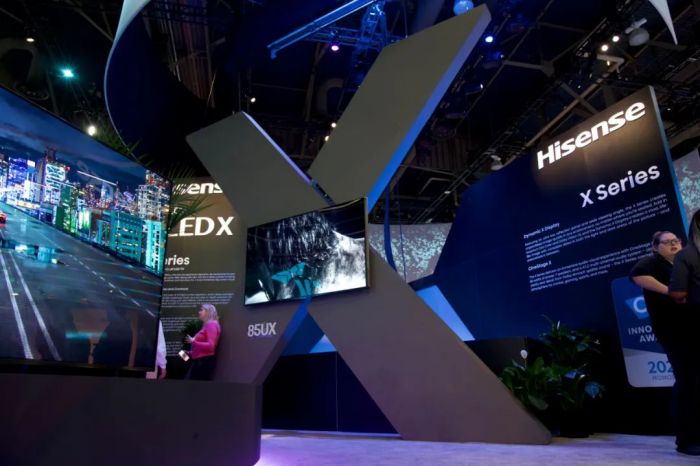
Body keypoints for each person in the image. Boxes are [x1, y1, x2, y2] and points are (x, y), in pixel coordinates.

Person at [630, 230, 700, 456]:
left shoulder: (686, 263)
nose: (674, 244)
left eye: (676, 241)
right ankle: (687, 439)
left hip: (693, 328)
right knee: (687, 380)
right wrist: (670, 292)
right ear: (655, 247)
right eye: (667, 242)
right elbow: (636, 276)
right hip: (673, 331)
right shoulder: (651, 263)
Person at [184, 304, 221, 380]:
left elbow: (211, 346)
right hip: (198, 361)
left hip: (203, 362)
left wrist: (193, 341)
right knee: (181, 354)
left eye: (201, 310)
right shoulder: (207, 325)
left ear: (208, 312)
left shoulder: (211, 324)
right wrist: (190, 353)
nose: (199, 312)